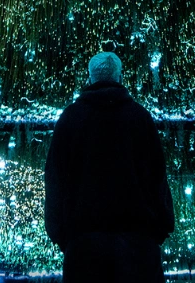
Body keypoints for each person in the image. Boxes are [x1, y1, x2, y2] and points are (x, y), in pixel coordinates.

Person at [44, 51, 175, 282]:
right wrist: (160, 228)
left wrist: (61, 235)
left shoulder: (70, 118)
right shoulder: (140, 117)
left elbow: (55, 180)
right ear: (119, 76)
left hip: (83, 246)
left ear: (90, 77)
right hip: (138, 246)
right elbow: (157, 176)